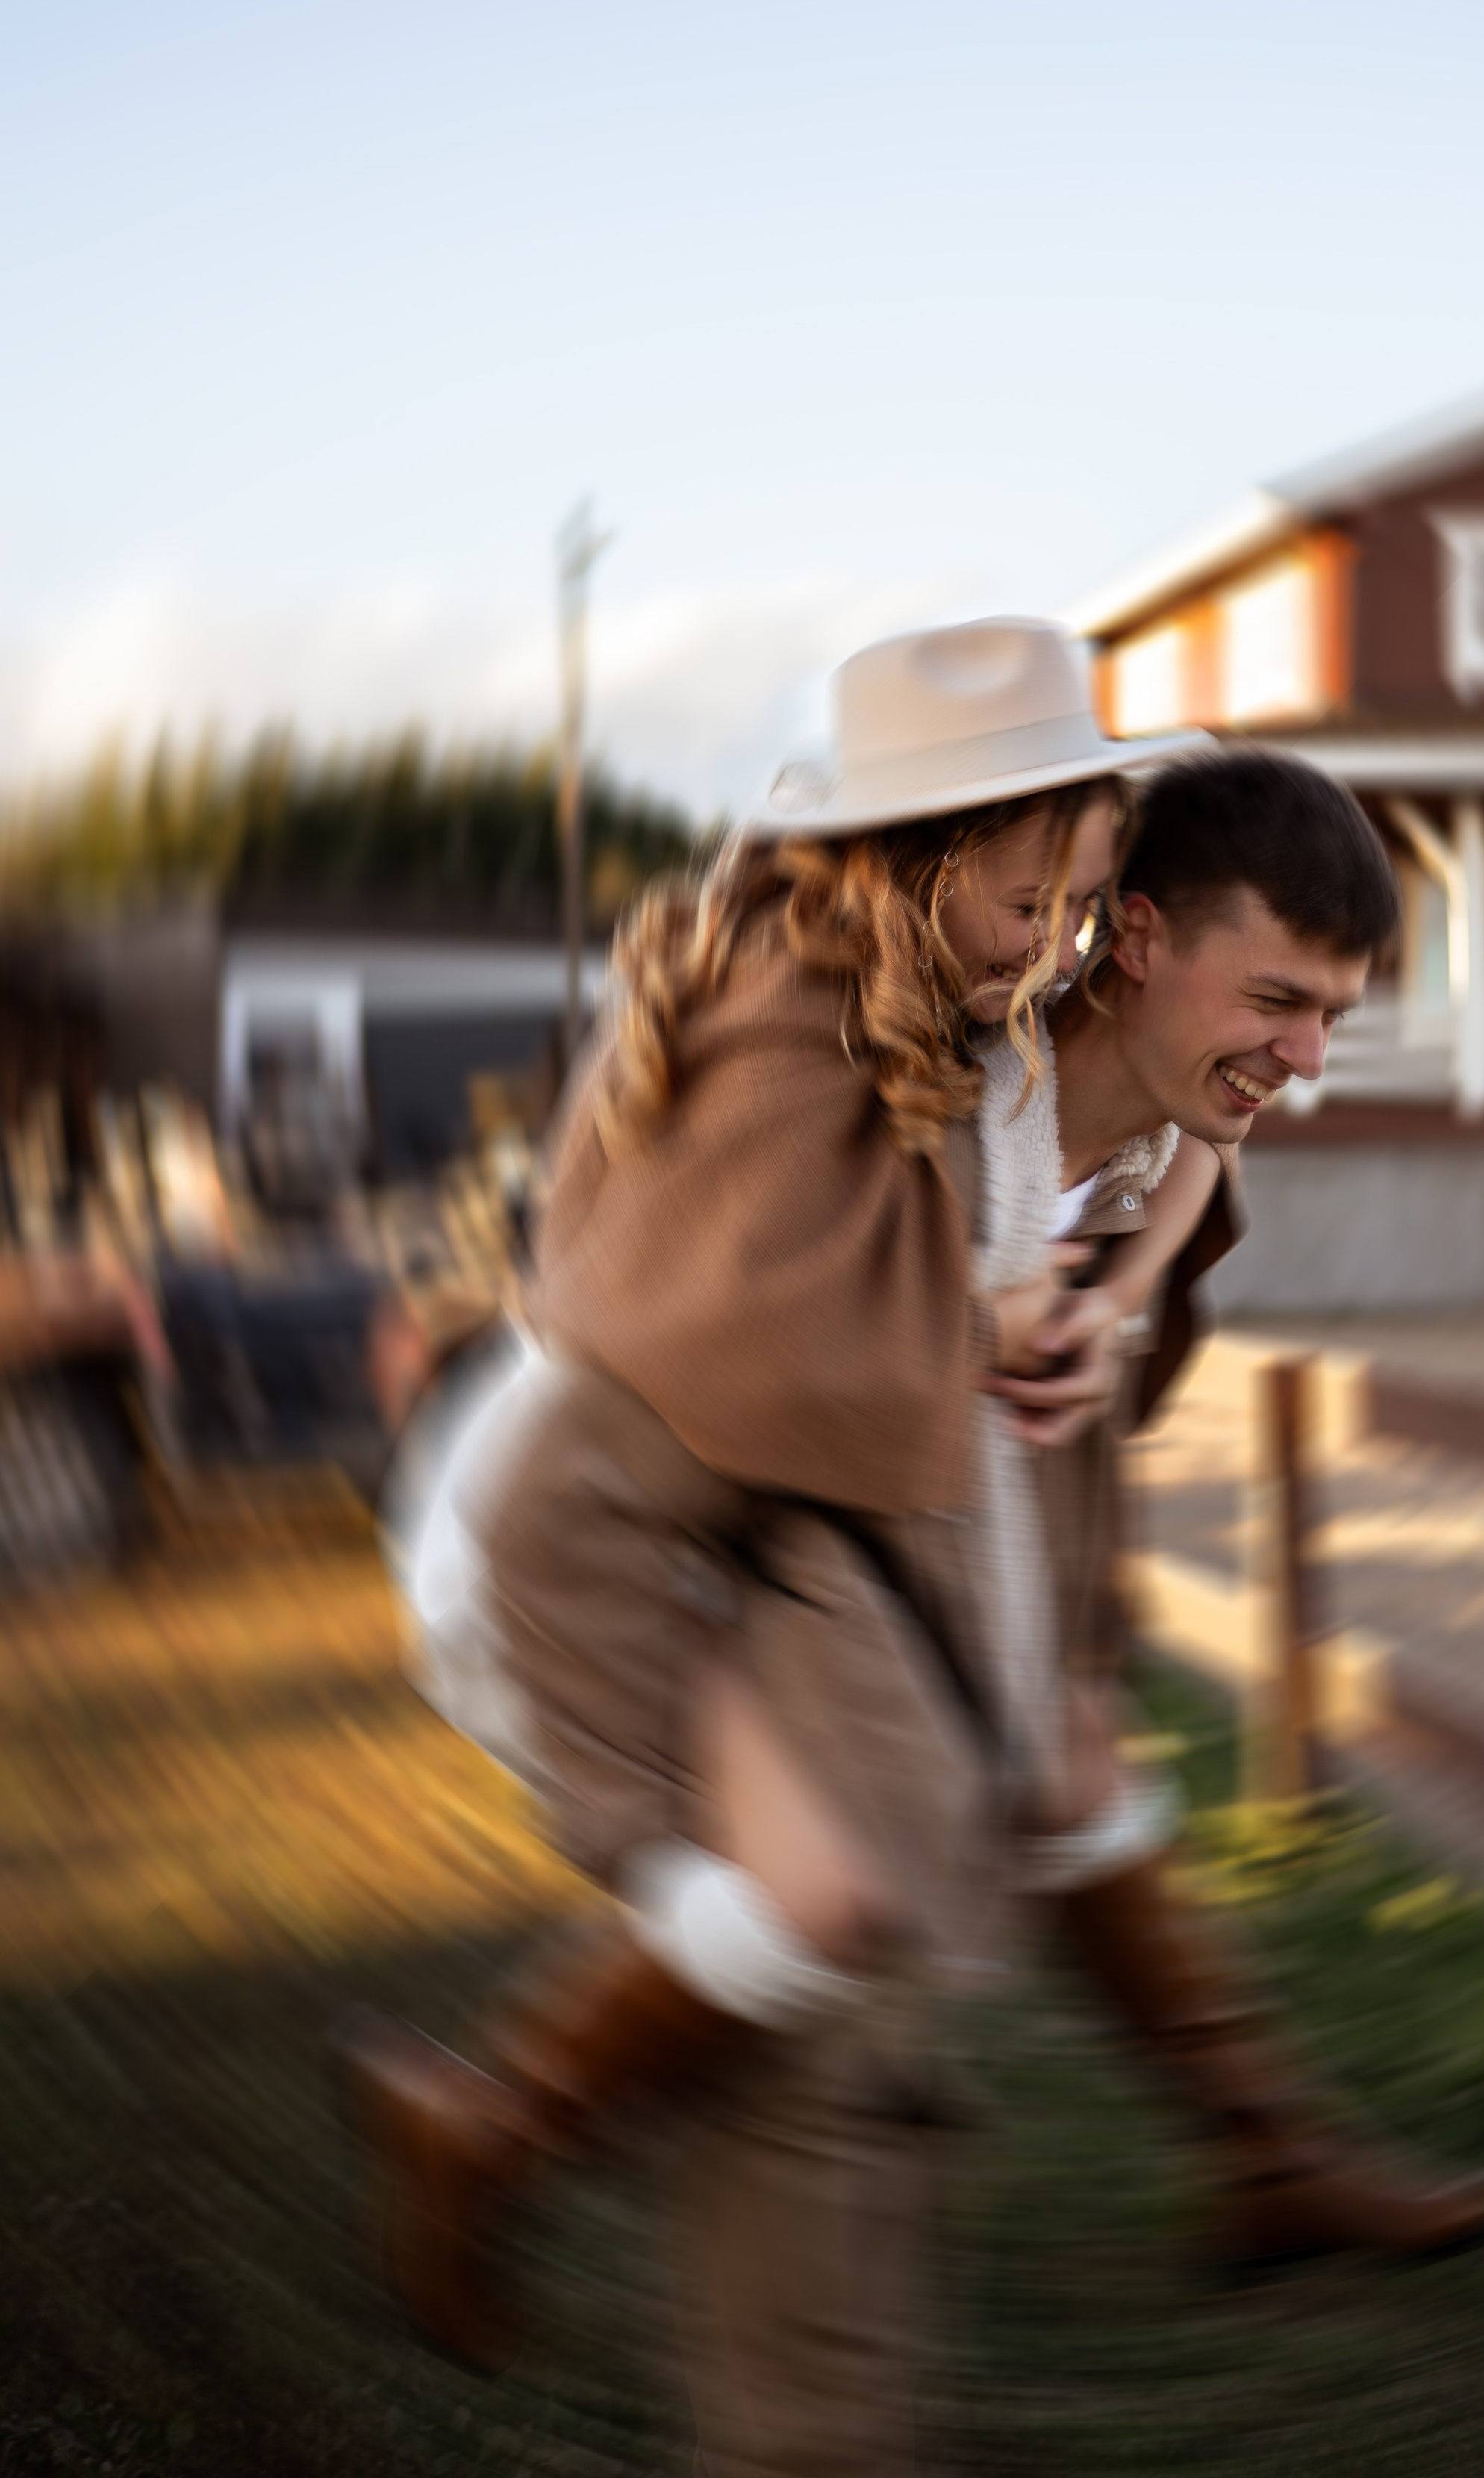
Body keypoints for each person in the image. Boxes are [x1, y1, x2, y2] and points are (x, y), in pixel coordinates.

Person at [342, 616, 1200, 2472]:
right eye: (1022, 897)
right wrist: (988, 1329)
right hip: (565, 1542)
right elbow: (743, 1324)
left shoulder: (917, 1010)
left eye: (1080, 899)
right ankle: (483, 2134)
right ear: (912, 858)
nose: (1047, 944)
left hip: (693, 1532)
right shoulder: (779, 997)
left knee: (839, 1925)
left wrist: (1075, 1303)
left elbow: (952, 1264)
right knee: (807, 1912)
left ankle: (516, 2148)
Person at [982, 744, 1484, 2270]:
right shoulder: (975, 1094)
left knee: (1064, 1771)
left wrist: (1117, 1303)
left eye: (1331, 1017)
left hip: (993, 1519)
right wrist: (1012, 1328)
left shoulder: (1166, 1096)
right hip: (774, 1534)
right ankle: (504, 2119)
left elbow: (1201, 1142)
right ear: (1137, 937)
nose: (1305, 1061)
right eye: (1277, 1003)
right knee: (854, 1867)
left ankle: (1266, 2155)